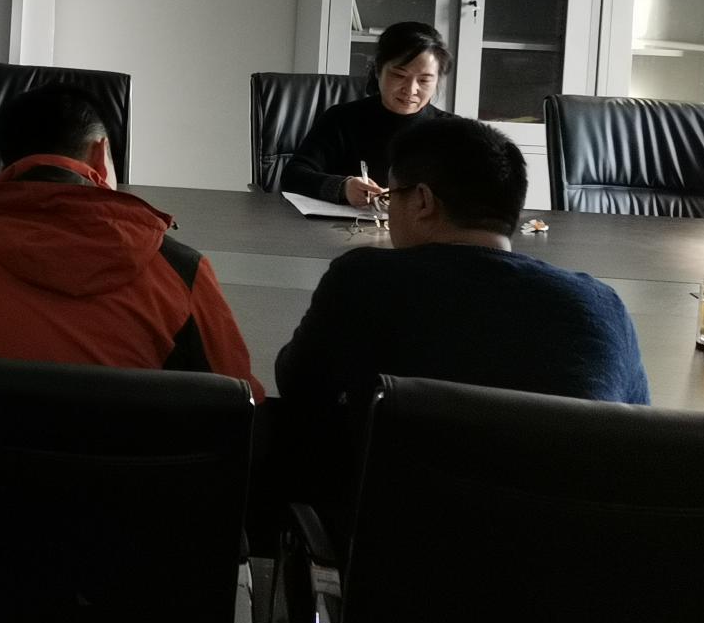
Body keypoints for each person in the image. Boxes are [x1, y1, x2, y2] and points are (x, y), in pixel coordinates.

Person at [0, 83, 261, 396]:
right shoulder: (181, 271)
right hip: (121, 490)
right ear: (100, 156)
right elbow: (242, 403)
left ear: (5, 161)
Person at [276, 115, 650, 414]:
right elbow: (636, 437)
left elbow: (298, 389)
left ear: (422, 201)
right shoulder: (603, 308)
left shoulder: (363, 281)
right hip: (556, 492)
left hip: (390, 490)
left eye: (391, 196)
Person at [284, 21, 449, 208]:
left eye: (424, 80)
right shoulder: (342, 119)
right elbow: (292, 176)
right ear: (378, 70)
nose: (410, 90)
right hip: (348, 224)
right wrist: (343, 188)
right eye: (399, 75)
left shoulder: (452, 132)